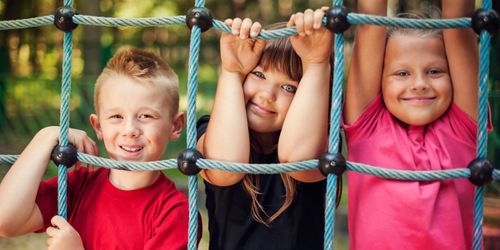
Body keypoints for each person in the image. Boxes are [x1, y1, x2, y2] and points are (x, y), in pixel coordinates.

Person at [0, 47, 195, 249]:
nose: (130, 130)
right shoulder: (79, 186)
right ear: (98, 126)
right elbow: (5, 220)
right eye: (116, 117)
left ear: (176, 126)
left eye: (146, 116)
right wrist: (45, 136)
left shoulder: (176, 212)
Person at [343, 0, 489, 249]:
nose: (419, 83)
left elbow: (460, 18)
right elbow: (369, 18)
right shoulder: (368, 129)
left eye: (434, 71)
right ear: (380, 81)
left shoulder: (464, 128)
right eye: (402, 73)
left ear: (453, 76)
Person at [196, 7, 333, 250]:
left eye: (289, 88)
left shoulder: (320, 142)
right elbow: (226, 168)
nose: (267, 96)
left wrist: (315, 64)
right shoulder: (210, 129)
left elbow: (297, 158)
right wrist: (232, 72)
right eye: (258, 74)